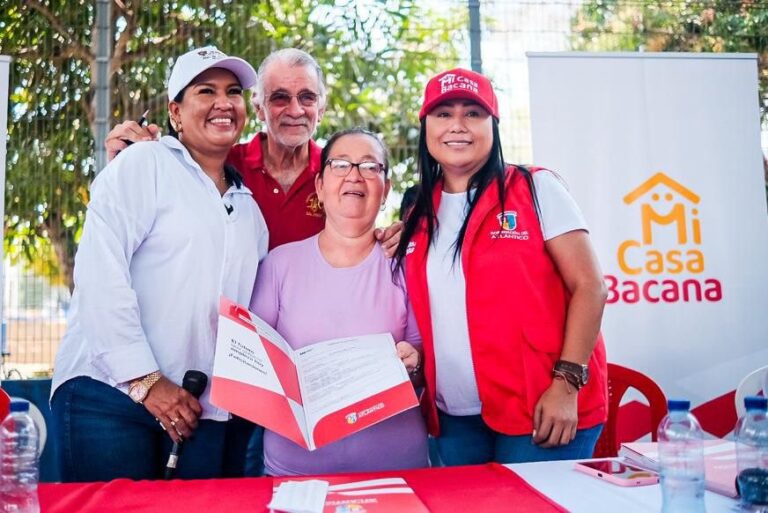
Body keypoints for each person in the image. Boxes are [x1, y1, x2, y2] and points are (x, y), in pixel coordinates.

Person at [50, 47, 269, 482]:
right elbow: (100, 275)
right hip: (108, 396)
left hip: (197, 412)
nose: (223, 102)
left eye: (233, 92)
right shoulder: (144, 163)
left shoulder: (249, 211)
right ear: (175, 112)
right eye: (205, 91)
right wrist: (146, 381)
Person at [393, 68, 609, 465]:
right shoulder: (416, 211)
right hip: (453, 417)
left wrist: (567, 384)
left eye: (473, 113)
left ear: (493, 125)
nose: (457, 126)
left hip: (542, 410)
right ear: (426, 127)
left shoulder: (536, 187)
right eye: (443, 114)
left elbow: (590, 286)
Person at [250, 128, 428, 475]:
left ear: (386, 188)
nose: (355, 176)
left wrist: (415, 361)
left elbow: (423, 365)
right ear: (319, 184)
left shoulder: (408, 263)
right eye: (341, 164)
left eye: (370, 167)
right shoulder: (278, 264)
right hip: (295, 473)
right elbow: (255, 366)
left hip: (396, 470)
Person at [105, 48, 402, 254]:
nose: (295, 110)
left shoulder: (339, 175)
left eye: (307, 98)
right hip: (233, 333)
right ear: (259, 108)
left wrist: (396, 237)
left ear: (320, 110)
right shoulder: (222, 167)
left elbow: (363, 238)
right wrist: (128, 156)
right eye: (280, 98)